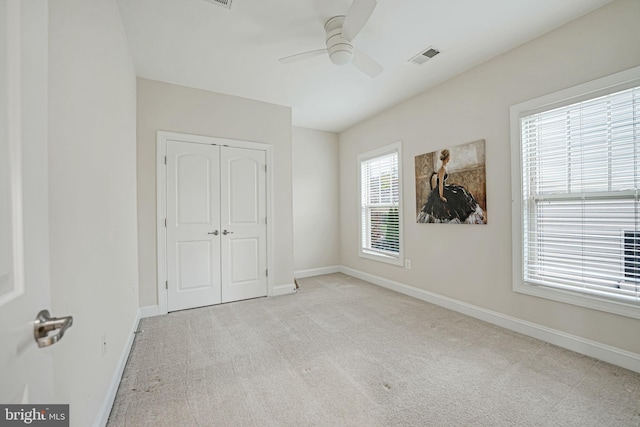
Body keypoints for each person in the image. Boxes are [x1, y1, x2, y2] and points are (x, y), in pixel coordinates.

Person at [417, 149, 485, 224]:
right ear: (447, 158)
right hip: (441, 189)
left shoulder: (444, 167)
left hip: (444, 187)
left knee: (461, 191)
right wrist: (441, 196)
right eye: (449, 157)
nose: (449, 158)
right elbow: (440, 184)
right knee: (457, 195)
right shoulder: (442, 168)